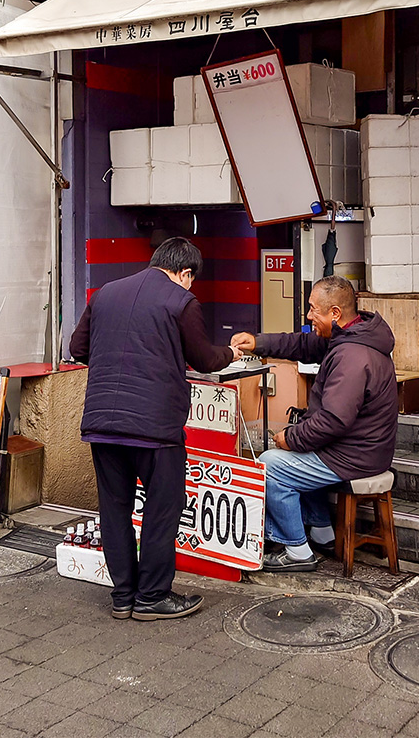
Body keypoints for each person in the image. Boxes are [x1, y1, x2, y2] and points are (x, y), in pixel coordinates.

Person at [69, 237, 244, 620]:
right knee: (162, 509)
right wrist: (233, 352)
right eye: (191, 279)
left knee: (114, 509)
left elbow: (78, 348)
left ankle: (123, 597)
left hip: (102, 425)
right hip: (155, 429)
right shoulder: (181, 301)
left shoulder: (105, 294)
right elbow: (204, 359)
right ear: (185, 273)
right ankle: (152, 596)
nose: (190, 286)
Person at [233, 276, 398, 571]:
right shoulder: (349, 336)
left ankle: (295, 549)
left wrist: (290, 438)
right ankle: (321, 531)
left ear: (334, 313)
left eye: (313, 310)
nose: (309, 316)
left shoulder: (352, 355)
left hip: (355, 454)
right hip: (357, 447)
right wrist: (258, 343)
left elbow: (333, 421)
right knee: (296, 453)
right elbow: (303, 343)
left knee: (271, 464)